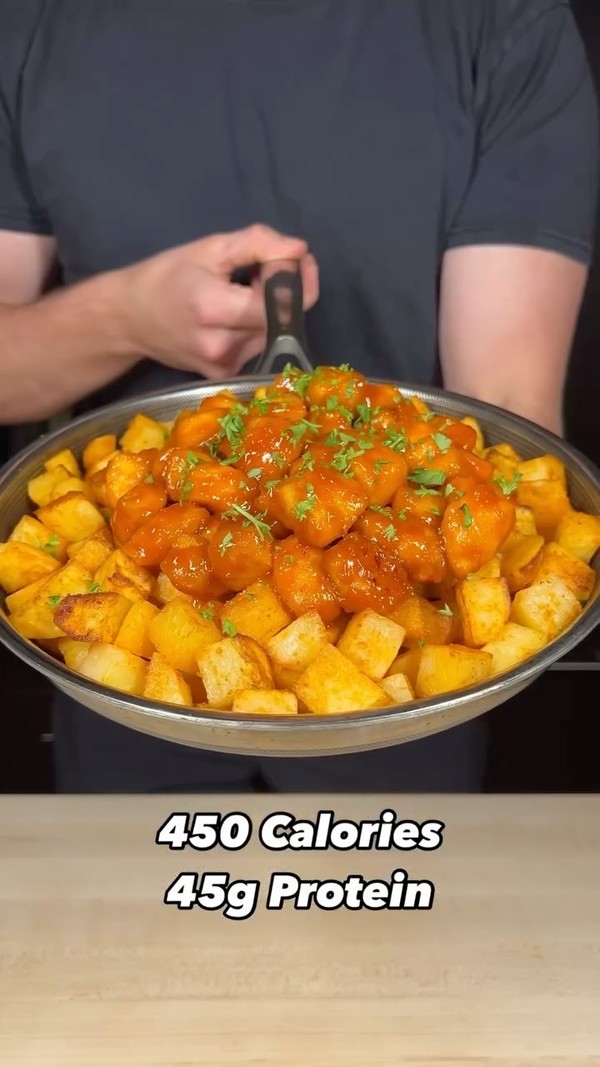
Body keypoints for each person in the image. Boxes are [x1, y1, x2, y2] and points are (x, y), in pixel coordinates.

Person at [0, 0, 597, 794]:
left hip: (414, 721)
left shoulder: (502, 20)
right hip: (119, 714)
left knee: (384, 909)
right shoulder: (30, 20)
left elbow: (508, 408)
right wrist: (122, 316)